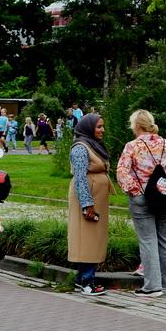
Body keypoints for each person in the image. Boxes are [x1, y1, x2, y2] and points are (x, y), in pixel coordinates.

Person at [116, 109, 166, 297]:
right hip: (165, 197)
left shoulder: (132, 146)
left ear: (137, 126)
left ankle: (152, 287)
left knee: (148, 241)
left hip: (142, 199)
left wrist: (135, 191)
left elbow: (122, 172)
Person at [67, 113, 112, 296]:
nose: (102, 130)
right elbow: (80, 178)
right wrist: (87, 204)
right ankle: (87, 282)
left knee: (92, 238)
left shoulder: (94, 145)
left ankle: (81, 279)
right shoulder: (80, 148)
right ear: (88, 128)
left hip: (96, 197)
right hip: (88, 199)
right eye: (98, 127)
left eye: (102, 126)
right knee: (87, 239)